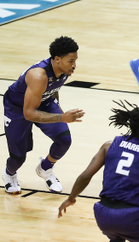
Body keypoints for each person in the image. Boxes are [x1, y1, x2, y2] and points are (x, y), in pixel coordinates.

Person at [58, 101, 139, 242]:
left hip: (102, 213)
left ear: (129, 124)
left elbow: (84, 177)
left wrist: (71, 198)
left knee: (118, 237)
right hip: (129, 216)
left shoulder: (108, 146)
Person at [2, 36, 84, 195]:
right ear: (57, 59)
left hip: (44, 101)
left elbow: (54, 88)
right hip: (18, 108)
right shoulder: (38, 76)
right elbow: (28, 113)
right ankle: (9, 174)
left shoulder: (64, 69)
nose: (74, 65)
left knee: (64, 139)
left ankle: (45, 169)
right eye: (71, 61)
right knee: (18, 158)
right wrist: (62, 117)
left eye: (75, 60)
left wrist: (59, 110)